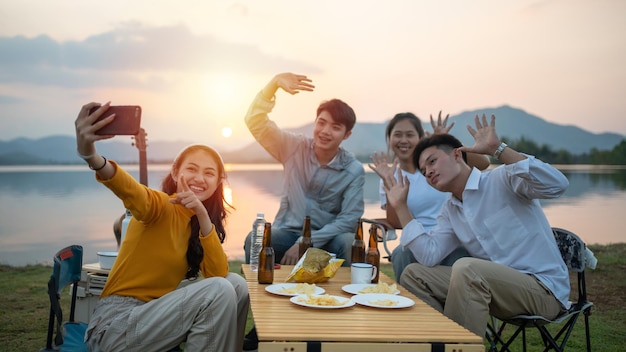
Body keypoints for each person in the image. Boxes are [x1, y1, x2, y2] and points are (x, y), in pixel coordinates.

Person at [75, 102, 249, 352]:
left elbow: (217, 273)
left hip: (151, 319)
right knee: (219, 289)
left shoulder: (196, 222)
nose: (200, 178)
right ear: (176, 172)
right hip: (114, 329)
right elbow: (129, 189)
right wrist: (92, 157)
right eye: (192, 169)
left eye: (209, 173)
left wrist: (201, 215)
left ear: (219, 181)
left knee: (235, 284)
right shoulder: (159, 206)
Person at [382, 113, 570, 338]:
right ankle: (440, 341)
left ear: (457, 155)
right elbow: (429, 255)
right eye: (423, 171)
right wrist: (401, 206)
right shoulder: (451, 210)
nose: (429, 172)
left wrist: (499, 150)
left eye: (432, 161)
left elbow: (557, 185)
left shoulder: (502, 180)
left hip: (543, 291)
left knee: (467, 268)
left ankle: (457, 345)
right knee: (414, 274)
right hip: (494, 289)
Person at [243, 72, 365, 266]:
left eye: (335, 127)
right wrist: (273, 85)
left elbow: (349, 219)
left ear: (347, 134)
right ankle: (256, 293)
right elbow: (255, 121)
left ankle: (348, 295)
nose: (325, 131)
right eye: (321, 123)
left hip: (327, 240)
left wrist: (307, 242)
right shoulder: (293, 147)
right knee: (256, 238)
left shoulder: (353, 170)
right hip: (287, 233)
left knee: (349, 241)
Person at [369, 111, 489, 279]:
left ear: (420, 138)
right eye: (397, 135)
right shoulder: (389, 175)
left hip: (453, 236)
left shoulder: (440, 167)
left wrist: (445, 142)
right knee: (401, 252)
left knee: (462, 256)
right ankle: (408, 301)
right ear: (389, 139)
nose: (403, 140)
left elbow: (484, 164)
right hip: (417, 239)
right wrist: (389, 182)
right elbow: (396, 222)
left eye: (410, 135)